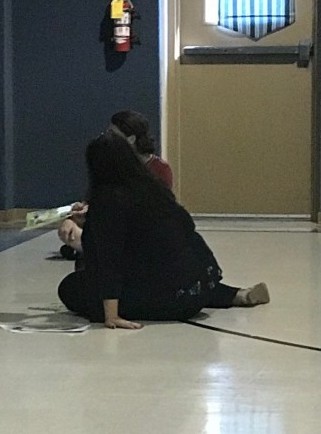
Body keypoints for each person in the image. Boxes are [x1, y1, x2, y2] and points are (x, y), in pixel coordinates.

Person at [58, 132, 269, 328]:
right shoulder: (154, 188)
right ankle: (234, 294)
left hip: (170, 299)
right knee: (178, 274)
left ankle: (194, 297)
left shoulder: (108, 200)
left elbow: (108, 259)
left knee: (71, 287)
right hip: (201, 283)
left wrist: (111, 315)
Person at [58, 109, 172, 256]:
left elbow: (154, 210)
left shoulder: (159, 169)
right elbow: (95, 198)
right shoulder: (111, 165)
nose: (107, 138)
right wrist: (77, 215)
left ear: (131, 139)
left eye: (113, 134)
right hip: (114, 222)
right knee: (69, 227)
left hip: (138, 226)